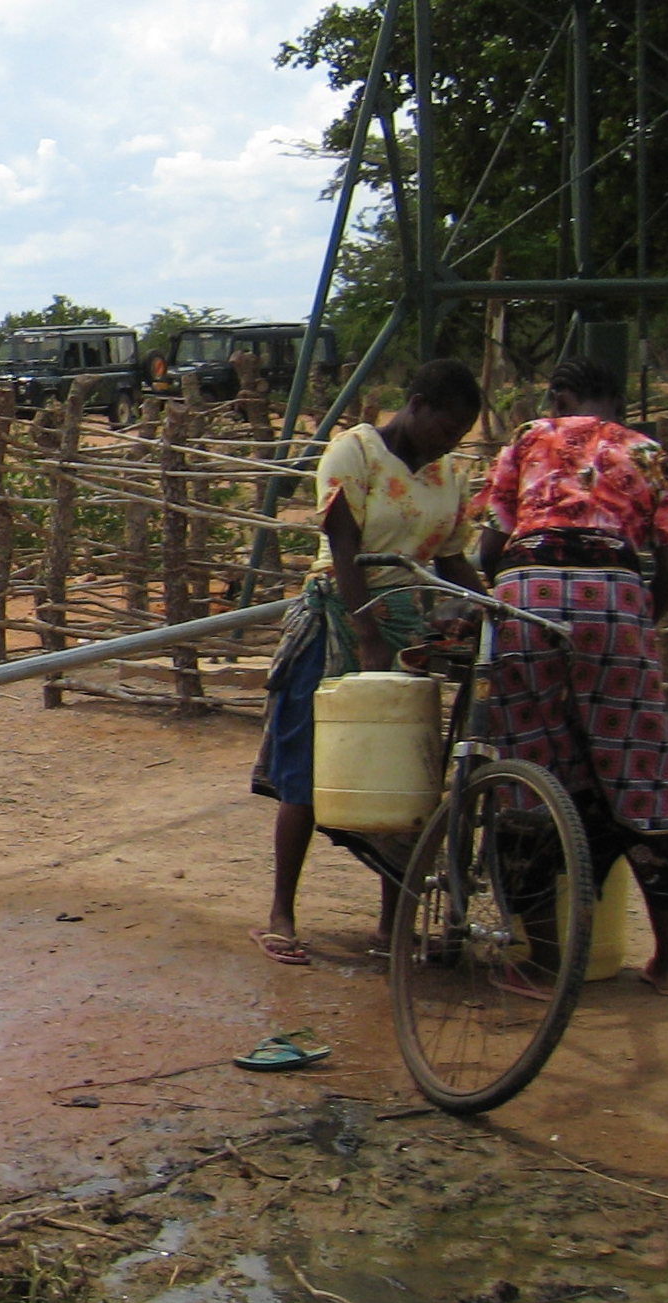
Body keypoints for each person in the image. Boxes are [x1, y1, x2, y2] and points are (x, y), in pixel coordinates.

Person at [476, 355, 668, 996]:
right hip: (617, 600)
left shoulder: (527, 440)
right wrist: (632, 623)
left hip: (530, 596)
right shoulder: (658, 457)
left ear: (563, 395)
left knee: (529, 772)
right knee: (641, 771)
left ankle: (545, 963)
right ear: (618, 399)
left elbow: (491, 549)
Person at [252, 359, 485, 965]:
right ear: (416, 404)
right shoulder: (352, 452)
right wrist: (366, 632)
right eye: (445, 427)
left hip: (404, 625)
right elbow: (343, 542)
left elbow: (454, 557)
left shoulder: (448, 476)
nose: (449, 442)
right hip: (337, 612)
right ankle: (282, 912)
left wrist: (488, 602)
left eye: (460, 435)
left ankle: (393, 922)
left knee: (400, 777)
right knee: (305, 769)